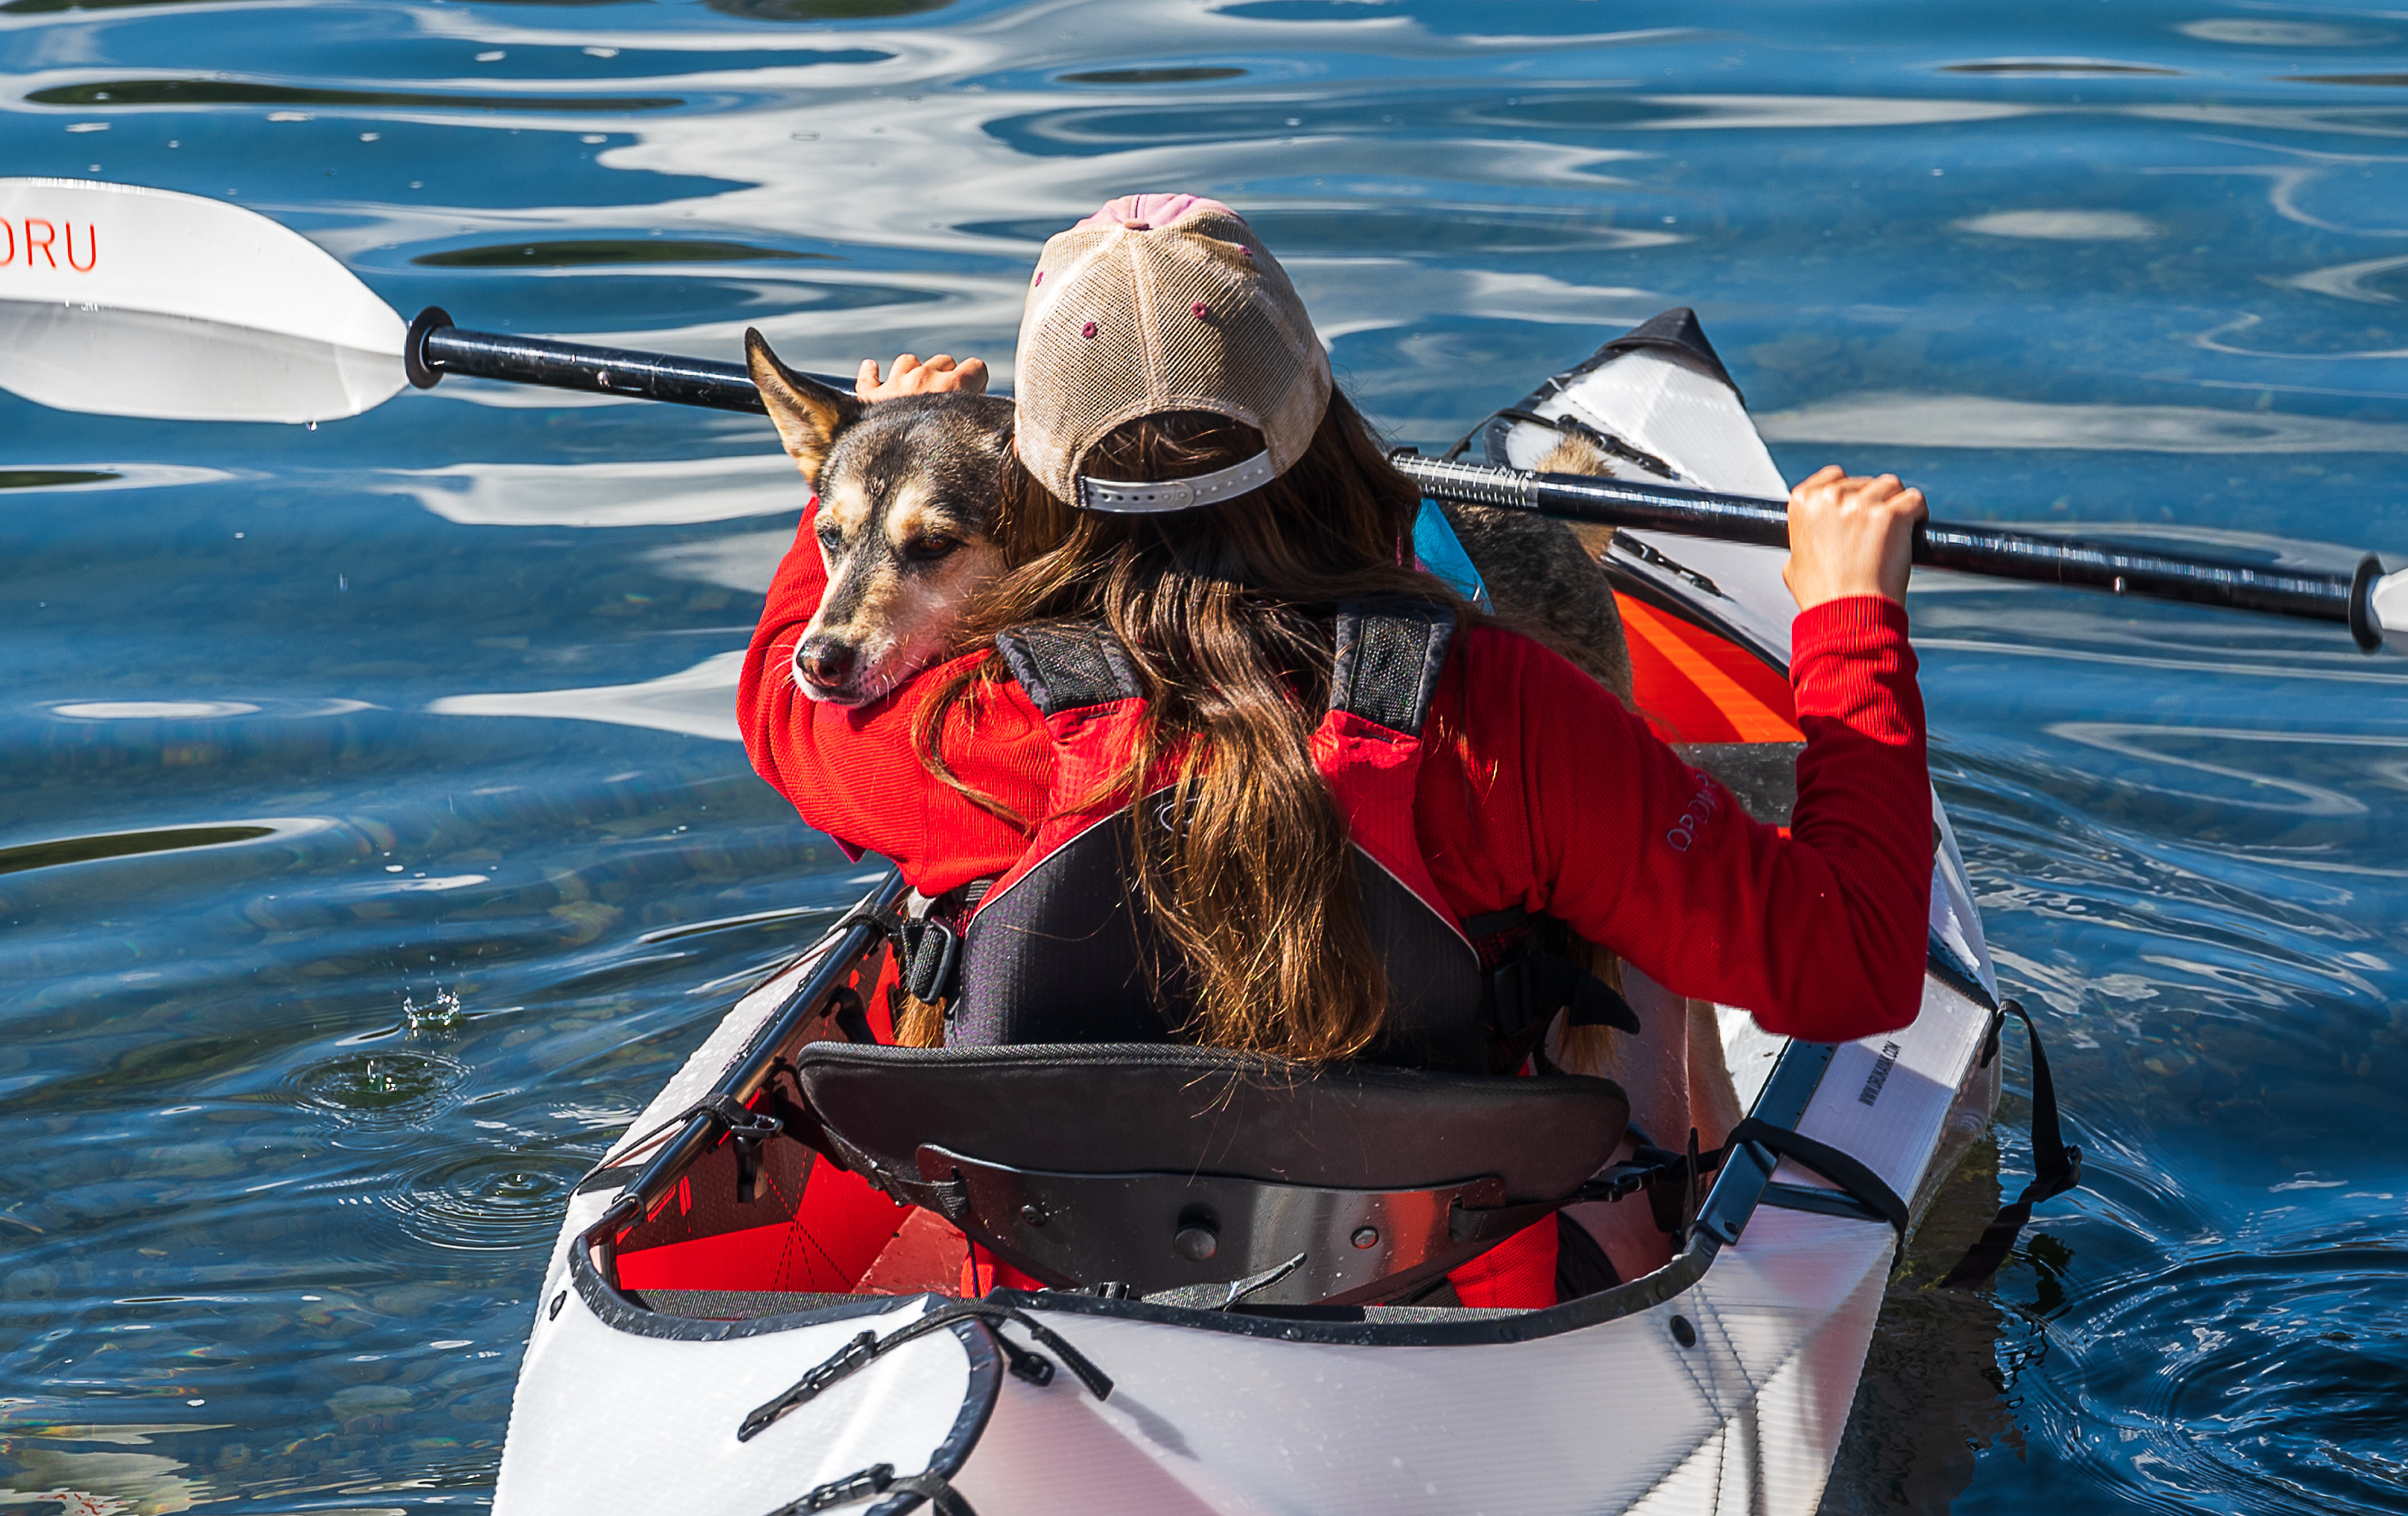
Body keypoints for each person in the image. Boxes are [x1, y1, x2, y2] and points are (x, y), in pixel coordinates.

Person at [735, 193, 1936, 1296]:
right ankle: (1684, 1198)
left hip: (1067, 1280)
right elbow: (1854, 963)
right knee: (1629, 923)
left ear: (1034, 488)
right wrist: (1850, 623)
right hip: (1451, 1287)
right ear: (1326, 432)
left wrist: (859, 470)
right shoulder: (1499, 705)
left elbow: (778, 701)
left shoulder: (955, 733)